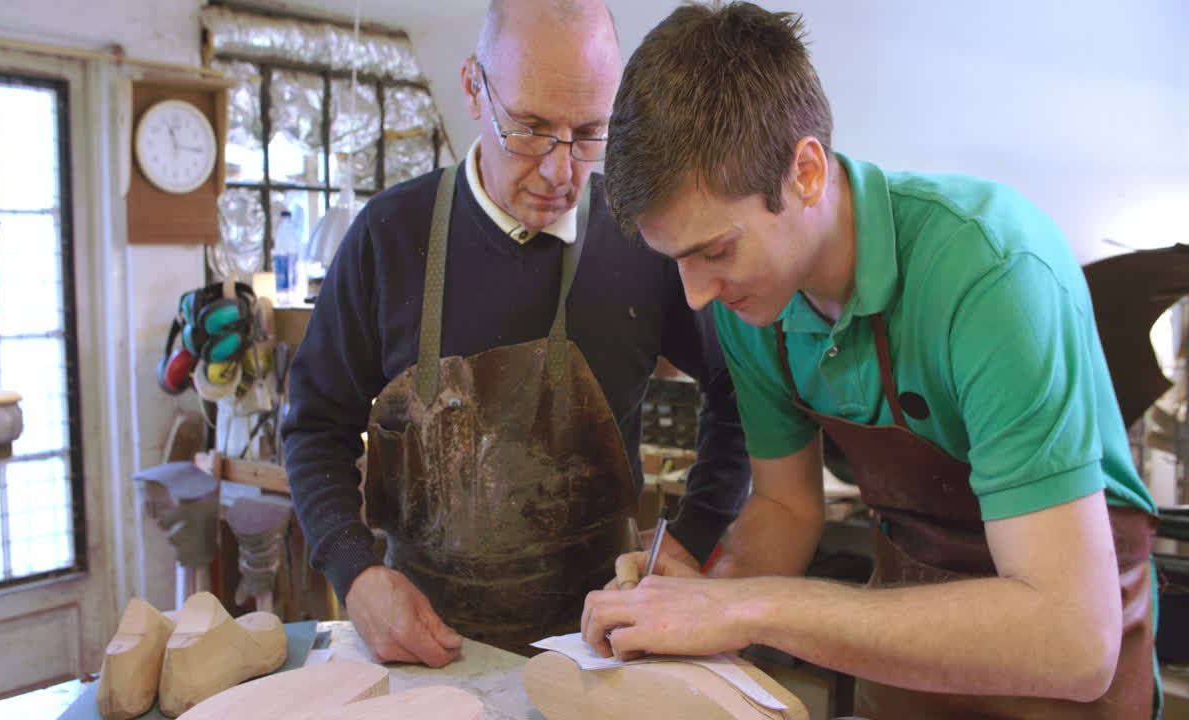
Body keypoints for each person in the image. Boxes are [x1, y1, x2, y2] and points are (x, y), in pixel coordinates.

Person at [580, 3, 1161, 718]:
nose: (697, 295)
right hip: (910, 665)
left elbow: (1073, 641)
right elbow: (787, 508)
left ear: (807, 172)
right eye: (677, 262)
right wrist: (703, 593)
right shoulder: (755, 300)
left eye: (716, 250)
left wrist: (749, 608)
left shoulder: (991, 274)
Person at [282, 0, 749, 668]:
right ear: (474, 88)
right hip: (424, 645)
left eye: (590, 133)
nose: (561, 172)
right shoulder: (389, 238)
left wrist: (695, 533)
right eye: (530, 129)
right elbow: (313, 427)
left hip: (602, 647)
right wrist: (355, 573)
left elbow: (744, 396)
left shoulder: (645, 242)